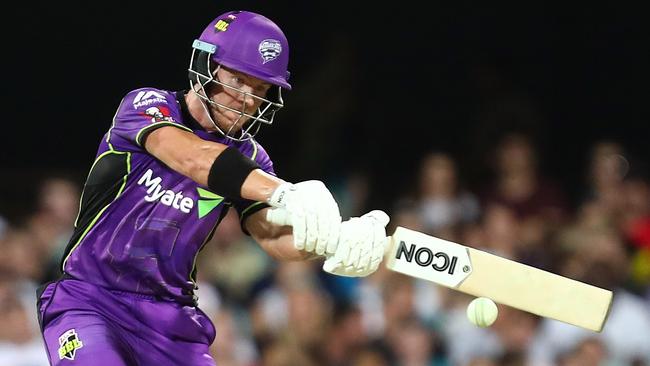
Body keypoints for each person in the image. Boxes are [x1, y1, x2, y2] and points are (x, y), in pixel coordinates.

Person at [36, 10, 389, 366]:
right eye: (238, 81)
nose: (248, 100)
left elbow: (269, 234)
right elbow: (195, 159)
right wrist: (285, 192)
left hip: (171, 319)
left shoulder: (252, 158)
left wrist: (331, 243)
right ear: (206, 65)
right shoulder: (148, 106)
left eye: (261, 89)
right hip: (90, 299)